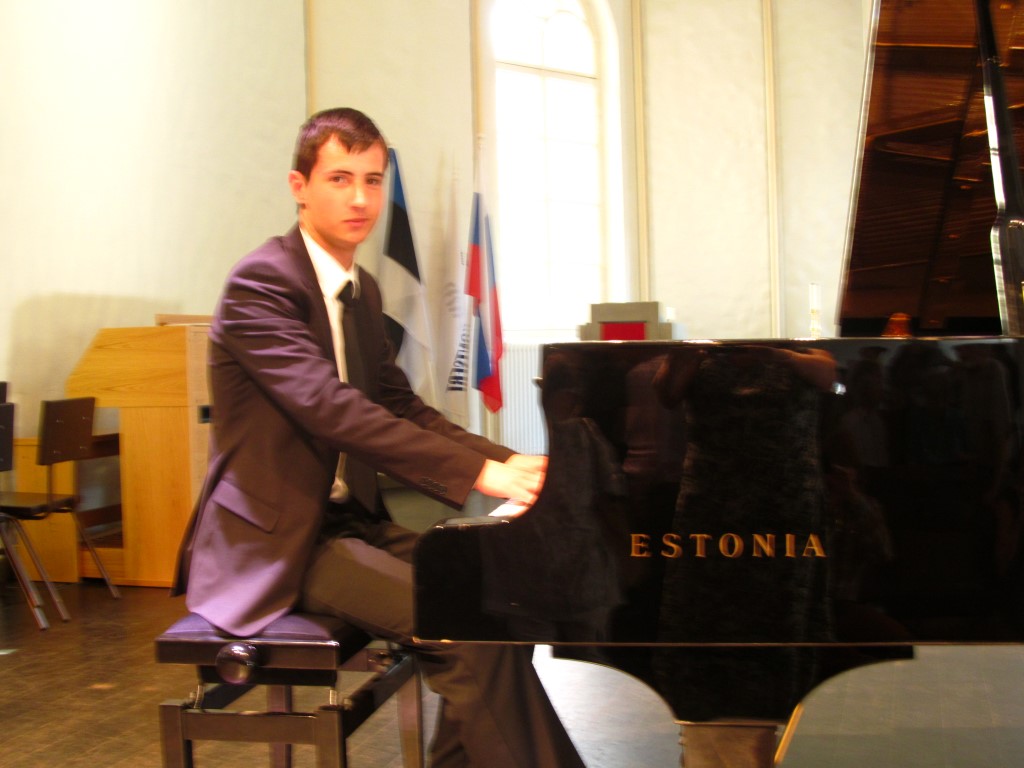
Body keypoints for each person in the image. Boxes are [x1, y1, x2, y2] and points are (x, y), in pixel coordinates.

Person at [172, 107, 584, 768]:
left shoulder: (360, 290)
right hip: (279, 544)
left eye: (372, 179)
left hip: (348, 524)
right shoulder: (262, 284)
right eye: (339, 178)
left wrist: (511, 460)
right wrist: (482, 477)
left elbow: (401, 407)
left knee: (501, 601)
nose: (360, 198)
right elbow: (331, 409)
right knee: (465, 631)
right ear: (299, 186)